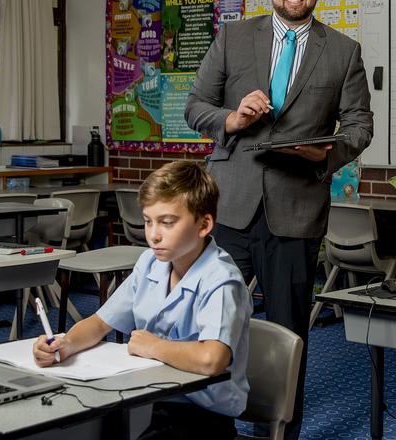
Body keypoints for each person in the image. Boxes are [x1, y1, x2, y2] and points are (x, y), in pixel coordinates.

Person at [184, 0, 373, 437]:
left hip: (296, 209)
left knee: (290, 334)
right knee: (209, 323)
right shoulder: (233, 37)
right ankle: (211, 429)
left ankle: (282, 432)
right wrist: (231, 119)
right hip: (229, 205)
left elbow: (358, 125)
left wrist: (326, 155)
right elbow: (195, 106)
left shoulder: (344, 51)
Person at [33, 160, 252, 440]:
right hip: (147, 396)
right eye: (148, 221)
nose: (153, 235)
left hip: (200, 414)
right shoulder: (150, 262)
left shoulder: (221, 279)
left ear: (204, 224)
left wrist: (154, 346)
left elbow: (212, 360)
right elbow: (99, 323)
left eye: (167, 222)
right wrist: (66, 344)